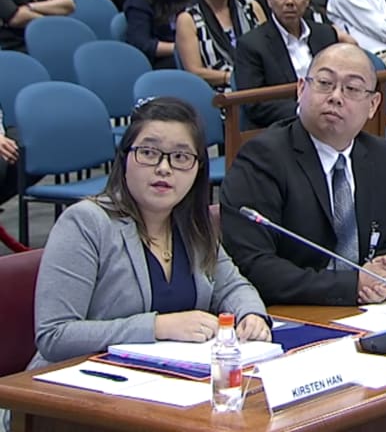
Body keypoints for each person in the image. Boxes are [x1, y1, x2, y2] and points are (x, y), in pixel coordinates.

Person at [29, 97, 271, 372]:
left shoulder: (192, 224)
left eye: (180, 157)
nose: (164, 168)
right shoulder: (86, 223)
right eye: (149, 153)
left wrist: (251, 314)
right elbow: (55, 335)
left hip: (162, 382)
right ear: (125, 159)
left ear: (197, 169)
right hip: (71, 390)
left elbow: (233, 287)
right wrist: (157, 326)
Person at [220, 43, 386, 306]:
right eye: (325, 83)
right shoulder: (263, 158)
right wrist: (351, 285)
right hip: (295, 313)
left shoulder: (385, 158)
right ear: (301, 90)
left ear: (373, 105)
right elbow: (253, 265)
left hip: (373, 311)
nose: (336, 96)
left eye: (352, 89)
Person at [235, 0, 339, 128]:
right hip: (283, 129)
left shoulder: (325, 34)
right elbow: (254, 104)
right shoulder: (251, 45)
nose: (290, 1)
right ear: (269, 0)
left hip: (331, 121)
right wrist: (305, 111)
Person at [175, 0, 266, 91]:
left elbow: (269, 52)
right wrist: (231, 77)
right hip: (218, 94)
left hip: (257, 88)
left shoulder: (252, 7)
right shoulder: (188, 19)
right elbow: (194, 72)